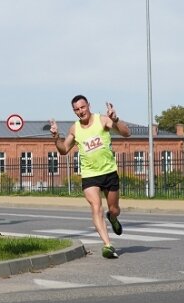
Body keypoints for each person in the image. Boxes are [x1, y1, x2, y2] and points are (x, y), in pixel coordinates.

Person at [49, 94, 131, 259]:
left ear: (89, 106)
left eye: (82, 107)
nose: (80, 111)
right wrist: (56, 137)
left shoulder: (102, 120)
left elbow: (126, 133)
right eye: (77, 109)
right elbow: (63, 150)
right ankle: (107, 245)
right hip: (89, 175)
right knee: (96, 207)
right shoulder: (75, 129)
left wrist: (115, 120)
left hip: (109, 172)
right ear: (74, 111)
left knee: (114, 209)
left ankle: (113, 218)